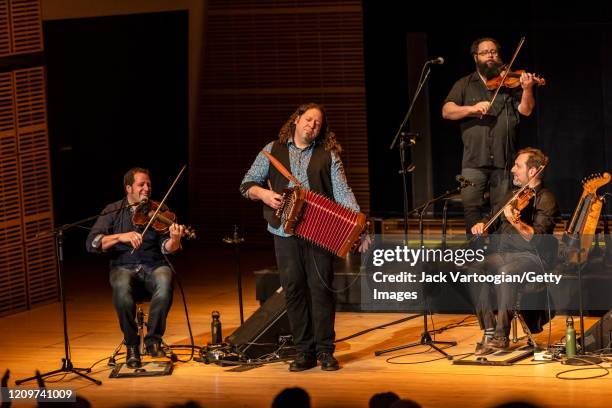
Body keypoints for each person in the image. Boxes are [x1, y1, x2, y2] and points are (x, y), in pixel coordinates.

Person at [240, 103, 368, 372]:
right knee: (294, 289)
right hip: (282, 231)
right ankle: (303, 351)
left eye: (318, 123)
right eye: (308, 120)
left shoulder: (328, 154)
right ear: (297, 120)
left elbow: (343, 192)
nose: (312, 126)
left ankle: (325, 351)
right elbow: (247, 184)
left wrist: (359, 226)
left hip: (319, 231)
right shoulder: (271, 150)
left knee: (320, 290)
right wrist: (264, 194)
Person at [86, 167, 184, 368]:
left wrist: (174, 240)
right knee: (121, 289)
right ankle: (131, 344)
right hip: (123, 266)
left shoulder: (159, 209)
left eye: (148, 184)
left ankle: (153, 340)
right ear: (128, 188)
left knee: (165, 281)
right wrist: (121, 236)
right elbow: (93, 242)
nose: (146, 188)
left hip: (154, 264)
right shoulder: (113, 211)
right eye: (141, 184)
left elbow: (167, 248)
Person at [442, 37, 539, 236]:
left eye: (494, 52)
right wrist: (471, 109)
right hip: (473, 160)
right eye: (485, 52)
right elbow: (447, 111)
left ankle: (499, 253)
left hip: (504, 160)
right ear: (475, 57)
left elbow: (526, 110)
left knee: (503, 209)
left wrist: (528, 88)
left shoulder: (509, 83)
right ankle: (475, 254)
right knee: (471, 209)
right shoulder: (465, 84)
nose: (490, 56)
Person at [468, 147, 559, 354]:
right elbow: (491, 219)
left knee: (506, 273)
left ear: (533, 171)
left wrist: (516, 222)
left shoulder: (546, 198)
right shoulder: (511, 195)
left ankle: (501, 336)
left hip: (531, 257)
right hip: (502, 254)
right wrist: (482, 226)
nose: (512, 170)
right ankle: (489, 330)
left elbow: (539, 239)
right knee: (474, 269)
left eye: (518, 166)